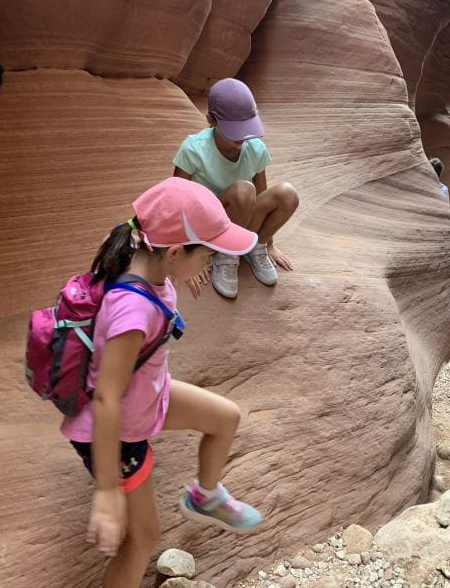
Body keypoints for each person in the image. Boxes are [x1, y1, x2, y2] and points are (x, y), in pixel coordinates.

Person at [61, 178, 263, 588]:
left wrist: (177, 272)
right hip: (119, 433)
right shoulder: (133, 313)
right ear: (173, 252)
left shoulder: (136, 246)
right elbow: (105, 398)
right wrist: (105, 490)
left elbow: (161, 256)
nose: (208, 262)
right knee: (142, 537)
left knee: (225, 417)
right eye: (207, 254)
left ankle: (204, 496)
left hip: (148, 395)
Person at [173, 78, 299, 298]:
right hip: (208, 224)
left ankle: (255, 247)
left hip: (242, 218)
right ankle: (226, 255)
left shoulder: (254, 147)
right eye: (234, 128)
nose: (242, 135)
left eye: (245, 127)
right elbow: (177, 201)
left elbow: (263, 195)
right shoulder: (194, 148)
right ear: (211, 120)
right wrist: (189, 255)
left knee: (287, 194)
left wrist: (268, 242)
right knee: (243, 191)